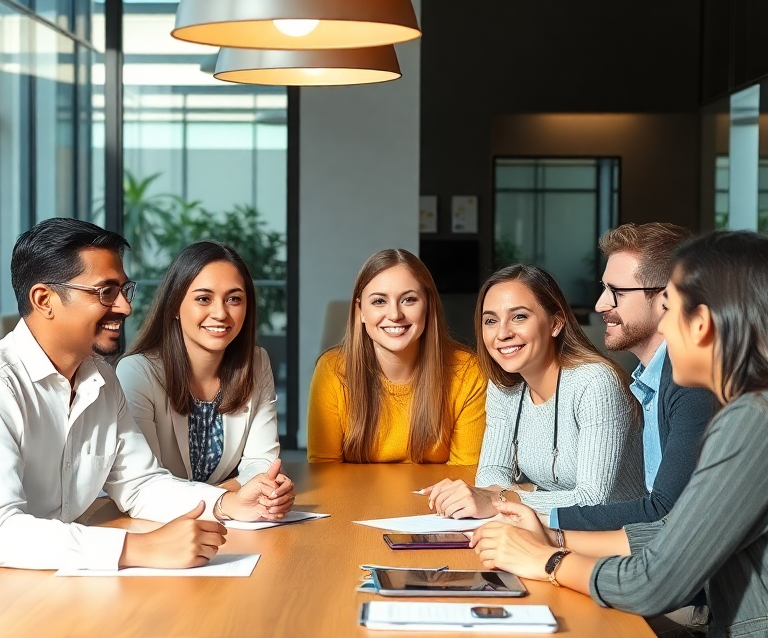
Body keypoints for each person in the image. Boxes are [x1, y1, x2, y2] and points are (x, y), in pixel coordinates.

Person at [472, 232, 768, 638]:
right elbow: (671, 530)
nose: (663, 326)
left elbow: (653, 583)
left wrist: (545, 561)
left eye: (670, 309)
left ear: (702, 325)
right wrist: (550, 534)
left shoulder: (761, 422)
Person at [0, 219, 291, 612]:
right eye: (106, 292)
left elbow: (140, 484)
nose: (126, 306)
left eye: (124, 289)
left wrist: (227, 504)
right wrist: (141, 548)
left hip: (44, 589)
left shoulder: (100, 380)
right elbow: (0, 535)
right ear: (44, 300)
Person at [426, 263, 644, 519]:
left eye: (519, 316)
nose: (502, 333)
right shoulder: (504, 385)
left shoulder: (594, 383)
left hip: (618, 537)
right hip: (550, 528)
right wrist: (497, 496)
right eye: (490, 321)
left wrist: (502, 498)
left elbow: (591, 499)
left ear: (555, 323)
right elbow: (492, 472)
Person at [552, 223, 718, 531]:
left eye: (617, 292)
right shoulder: (653, 377)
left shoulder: (692, 384)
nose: (602, 304)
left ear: (666, 298)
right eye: (604, 289)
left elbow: (664, 511)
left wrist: (546, 522)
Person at [117, 241, 293, 510]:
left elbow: (262, 463)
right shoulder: (136, 373)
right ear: (174, 305)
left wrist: (253, 493)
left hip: (230, 523)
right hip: (155, 526)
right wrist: (228, 501)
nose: (221, 313)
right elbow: (145, 484)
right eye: (203, 299)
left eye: (234, 299)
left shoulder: (256, 362)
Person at [307, 248, 486, 465]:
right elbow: (324, 470)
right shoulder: (331, 370)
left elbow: (465, 474)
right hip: (356, 498)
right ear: (360, 310)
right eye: (379, 301)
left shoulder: (468, 371)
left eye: (409, 299)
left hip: (436, 499)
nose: (394, 315)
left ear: (428, 306)